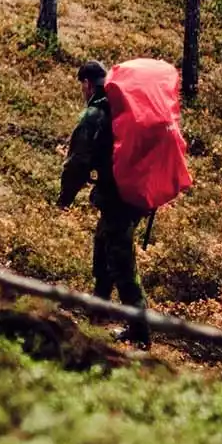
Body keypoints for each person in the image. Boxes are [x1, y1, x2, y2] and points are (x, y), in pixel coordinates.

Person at [58, 60, 151, 348]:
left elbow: (77, 162)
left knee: (121, 262)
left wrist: (65, 197)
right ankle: (97, 315)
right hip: (130, 195)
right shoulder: (121, 107)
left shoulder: (96, 114)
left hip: (119, 198)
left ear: (86, 83)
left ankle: (140, 332)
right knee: (104, 251)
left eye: (81, 86)